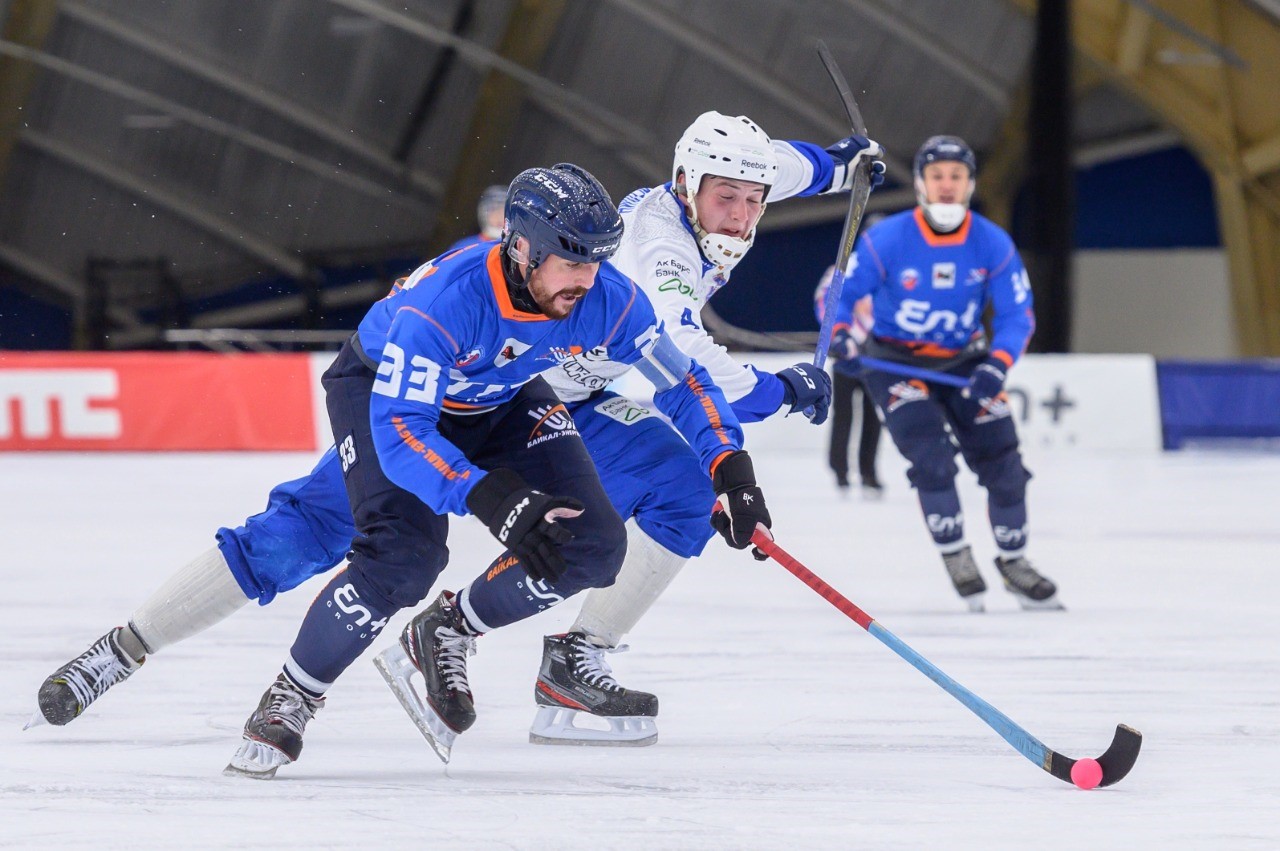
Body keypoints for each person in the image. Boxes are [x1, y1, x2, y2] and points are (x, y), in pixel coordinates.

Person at [34, 114, 883, 758]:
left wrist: (728, 460)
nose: (589, 283)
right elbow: (405, 430)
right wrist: (491, 495)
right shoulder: (475, 300)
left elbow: (684, 374)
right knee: (326, 536)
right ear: (521, 250)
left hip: (511, 394)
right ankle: (127, 646)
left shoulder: (601, 286)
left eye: (751, 199)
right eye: (573, 264)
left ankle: (528, 649)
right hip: (408, 398)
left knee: (612, 529)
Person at [828, 135, 1061, 613]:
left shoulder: (992, 242)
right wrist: (842, 336)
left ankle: (1014, 563)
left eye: (957, 176)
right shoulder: (887, 238)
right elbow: (841, 297)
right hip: (896, 364)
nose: (948, 185)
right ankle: (956, 554)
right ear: (920, 184)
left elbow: (1018, 314)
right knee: (931, 459)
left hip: (966, 361)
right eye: (938, 176)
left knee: (1005, 465)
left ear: (971, 184)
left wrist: (998, 365)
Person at [814, 266, 882, 497]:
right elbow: (823, 300)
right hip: (845, 350)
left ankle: (869, 473)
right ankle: (840, 471)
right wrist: (836, 335)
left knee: (873, 415)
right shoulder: (841, 268)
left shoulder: (885, 266)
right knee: (843, 413)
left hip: (876, 352)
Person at [445, 184, 507, 253]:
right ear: (484, 213)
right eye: (495, 211)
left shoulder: (516, 250)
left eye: (504, 213)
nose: (500, 217)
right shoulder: (464, 247)